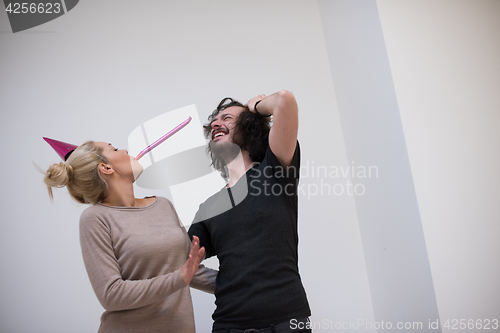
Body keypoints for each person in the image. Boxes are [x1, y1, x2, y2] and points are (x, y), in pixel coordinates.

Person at [43, 139, 217, 333]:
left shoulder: (163, 205)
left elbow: (189, 271)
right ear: (106, 168)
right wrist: (179, 278)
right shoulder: (95, 219)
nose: (124, 150)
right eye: (114, 149)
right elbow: (111, 294)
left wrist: (245, 282)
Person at [188, 90, 312, 333]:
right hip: (229, 325)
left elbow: (284, 101)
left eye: (227, 118)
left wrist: (254, 108)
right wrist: (224, 283)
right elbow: (180, 260)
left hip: (287, 323)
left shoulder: (275, 171)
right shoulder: (209, 207)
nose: (216, 123)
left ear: (249, 126)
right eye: (214, 120)